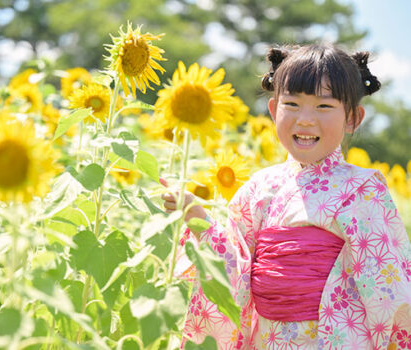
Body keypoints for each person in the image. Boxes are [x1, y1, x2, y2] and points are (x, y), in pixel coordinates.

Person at [161, 43, 411, 349]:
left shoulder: (363, 188)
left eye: (323, 106)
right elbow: (236, 265)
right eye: (291, 104)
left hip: (334, 338)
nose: (305, 119)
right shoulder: (258, 189)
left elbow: (388, 286)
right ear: (273, 110)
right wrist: (196, 217)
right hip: (268, 338)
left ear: (352, 118)